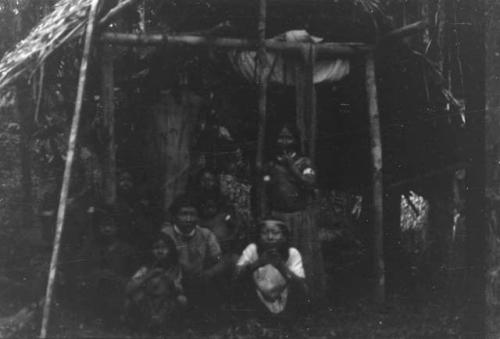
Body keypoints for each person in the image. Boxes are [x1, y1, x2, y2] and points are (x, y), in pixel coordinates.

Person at [262, 123, 325, 303]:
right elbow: (265, 188)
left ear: (295, 140)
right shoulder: (271, 164)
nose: (284, 141)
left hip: (300, 219)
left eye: (288, 137)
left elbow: (309, 183)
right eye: (280, 137)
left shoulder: (304, 162)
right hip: (278, 219)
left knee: (302, 259)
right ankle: (279, 300)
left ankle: (306, 299)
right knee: (279, 259)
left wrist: (292, 167)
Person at [161, 194, 227, 312]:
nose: (188, 219)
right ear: (175, 216)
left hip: (198, 280)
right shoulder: (166, 234)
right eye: (184, 214)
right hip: (172, 282)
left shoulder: (206, 234)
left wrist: (209, 273)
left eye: (192, 214)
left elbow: (219, 261)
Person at [234, 218, 307, 322]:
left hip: (283, 298)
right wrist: (259, 263)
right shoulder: (253, 249)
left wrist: (280, 266)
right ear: (258, 236)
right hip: (258, 298)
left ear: (284, 237)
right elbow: (236, 276)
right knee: (244, 281)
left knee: (298, 287)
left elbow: (301, 285)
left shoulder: (292, 253)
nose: (270, 237)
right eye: (264, 233)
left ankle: (290, 320)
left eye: (276, 233)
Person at [76, 204, 138, 324]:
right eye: (104, 226)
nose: (107, 229)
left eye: (111, 226)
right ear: (99, 228)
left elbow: (133, 273)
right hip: (95, 287)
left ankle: (115, 316)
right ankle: (95, 315)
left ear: (117, 228)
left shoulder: (126, 249)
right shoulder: (92, 247)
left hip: (118, 287)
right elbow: (82, 267)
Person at [125, 233, 187, 333]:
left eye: (164, 247)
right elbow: (129, 288)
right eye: (156, 247)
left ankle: (170, 328)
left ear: (170, 249)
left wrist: (169, 280)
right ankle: (139, 327)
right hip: (148, 302)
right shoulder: (146, 267)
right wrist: (148, 276)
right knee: (133, 298)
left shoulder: (175, 268)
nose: (160, 251)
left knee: (181, 300)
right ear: (150, 250)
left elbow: (180, 290)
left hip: (165, 302)